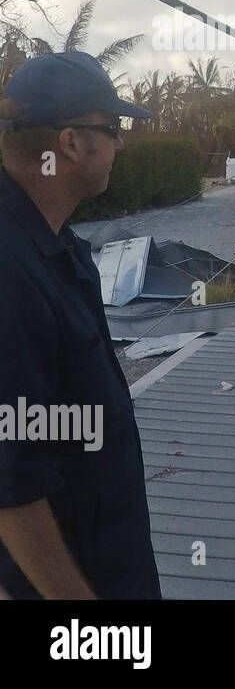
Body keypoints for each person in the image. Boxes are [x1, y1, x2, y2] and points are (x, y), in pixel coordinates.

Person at [0, 51, 161, 599]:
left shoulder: (56, 247)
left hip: (111, 555)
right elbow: (11, 484)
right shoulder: (9, 273)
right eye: (111, 128)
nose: (120, 143)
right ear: (70, 143)